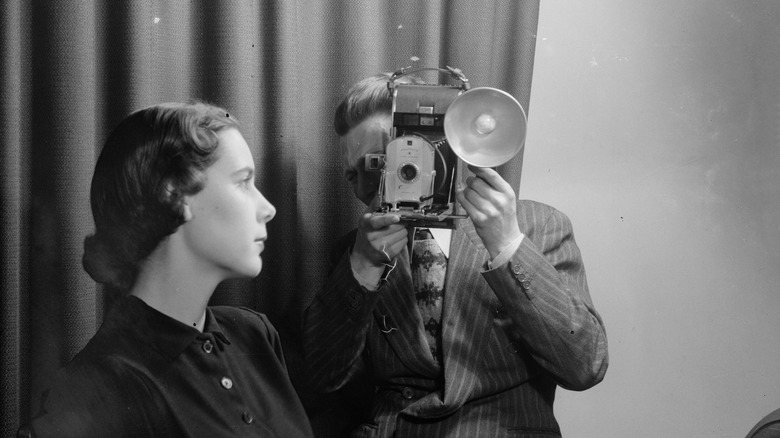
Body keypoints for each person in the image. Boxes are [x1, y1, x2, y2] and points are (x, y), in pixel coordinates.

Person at [303, 73, 609, 437]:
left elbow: (584, 366)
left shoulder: (537, 225)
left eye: (382, 161)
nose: (368, 188)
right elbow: (322, 378)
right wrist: (363, 268)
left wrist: (508, 245)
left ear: (437, 147)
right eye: (356, 174)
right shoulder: (358, 249)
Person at [20, 102, 314, 437]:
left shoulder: (254, 334)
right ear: (175, 194)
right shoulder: (95, 389)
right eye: (243, 181)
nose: (269, 208)